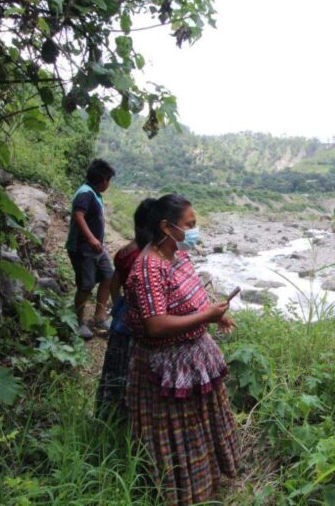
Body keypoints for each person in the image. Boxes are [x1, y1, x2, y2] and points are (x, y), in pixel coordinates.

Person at [124, 194, 239, 505]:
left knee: (200, 428)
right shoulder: (149, 268)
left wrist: (215, 314)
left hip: (194, 362)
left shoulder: (179, 256)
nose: (194, 230)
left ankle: (208, 483)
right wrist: (206, 317)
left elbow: (192, 295)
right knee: (179, 435)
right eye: (190, 225)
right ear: (166, 227)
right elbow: (156, 325)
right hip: (167, 371)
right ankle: (181, 494)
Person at [96, 198, 156, 419]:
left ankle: (110, 415)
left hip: (122, 323)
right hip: (142, 329)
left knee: (116, 372)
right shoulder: (150, 258)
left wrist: (120, 306)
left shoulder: (124, 253)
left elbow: (115, 285)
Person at [65, 159, 116, 340]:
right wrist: (91, 238)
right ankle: (78, 322)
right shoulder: (85, 193)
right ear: (103, 180)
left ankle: (99, 317)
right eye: (109, 180)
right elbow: (78, 215)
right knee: (86, 285)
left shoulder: (94, 194)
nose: (109, 184)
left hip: (96, 249)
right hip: (83, 248)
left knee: (109, 276)